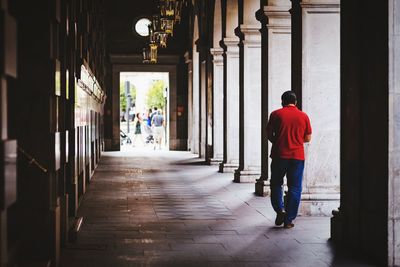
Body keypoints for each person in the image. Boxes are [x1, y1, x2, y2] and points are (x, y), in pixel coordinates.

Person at [266, 91, 312, 229]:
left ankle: (280, 210)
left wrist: (278, 141)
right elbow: (308, 138)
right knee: (295, 187)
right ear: (296, 102)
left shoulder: (276, 114)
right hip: (297, 156)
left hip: (279, 155)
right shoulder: (303, 116)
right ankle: (289, 220)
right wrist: (297, 140)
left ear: (282, 101)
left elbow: (269, 134)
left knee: (276, 184)